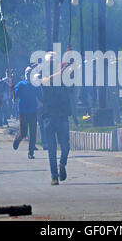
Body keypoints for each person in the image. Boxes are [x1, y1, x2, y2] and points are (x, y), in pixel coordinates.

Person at [41, 53, 74, 185]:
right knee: (52, 149)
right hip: (49, 116)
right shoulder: (44, 77)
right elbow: (46, 80)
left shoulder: (63, 78)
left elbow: (72, 78)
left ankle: (62, 164)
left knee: (65, 146)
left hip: (62, 116)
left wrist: (70, 64)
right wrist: (62, 71)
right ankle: (54, 176)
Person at [13, 67, 42, 159]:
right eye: (28, 73)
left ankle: (31, 152)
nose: (29, 75)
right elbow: (15, 95)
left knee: (33, 132)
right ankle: (17, 139)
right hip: (23, 111)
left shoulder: (35, 85)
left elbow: (40, 96)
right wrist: (12, 88)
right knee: (23, 133)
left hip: (33, 111)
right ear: (25, 74)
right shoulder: (20, 85)